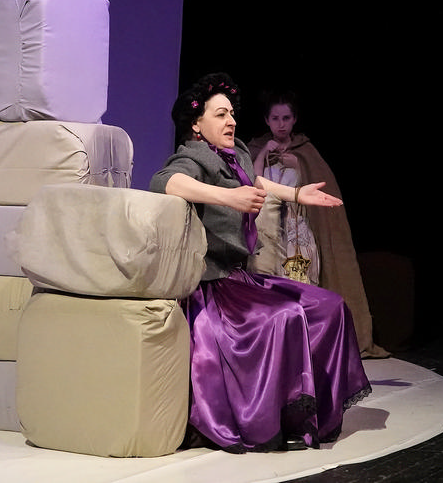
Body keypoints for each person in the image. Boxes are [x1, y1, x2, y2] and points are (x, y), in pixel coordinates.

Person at [149, 73, 371, 454]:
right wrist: (228, 198)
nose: (231, 121)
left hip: (241, 280)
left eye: (232, 113)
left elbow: (256, 182)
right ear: (197, 125)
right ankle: (275, 420)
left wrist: (297, 194)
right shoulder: (193, 157)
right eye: (220, 115)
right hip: (214, 289)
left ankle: (309, 412)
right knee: (284, 315)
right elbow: (164, 182)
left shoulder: (234, 153)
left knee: (329, 306)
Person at [248, 91, 390, 358]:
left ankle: (309, 345)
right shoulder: (256, 148)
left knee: (303, 282)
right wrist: (263, 153)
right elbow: (251, 181)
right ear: (267, 120)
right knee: (272, 284)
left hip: (298, 228)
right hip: (269, 229)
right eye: (275, 118)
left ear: (294, 119)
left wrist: (297, 165)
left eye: (286, 118)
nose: (281, 124)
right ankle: (277, 347)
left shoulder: (305, 151)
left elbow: (316, 184)